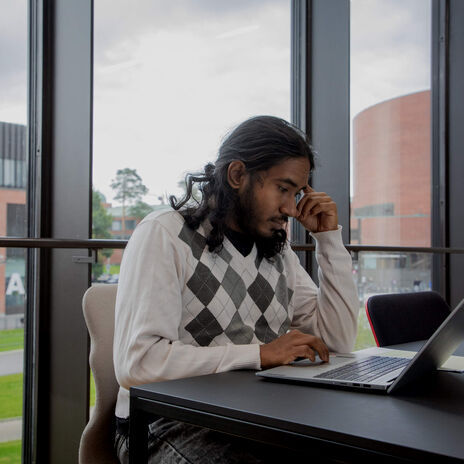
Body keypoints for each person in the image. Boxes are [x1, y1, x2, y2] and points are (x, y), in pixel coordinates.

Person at [113, 115, 359, 463]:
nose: (290, 209)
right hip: (163, 422)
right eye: (282, 189)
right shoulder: (165, 234)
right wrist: (260, 354)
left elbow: (337, 341)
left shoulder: (277, 249)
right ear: (238, 175)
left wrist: (329, 241)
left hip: (254, 415)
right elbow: (139, 363)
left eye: (297, 193)